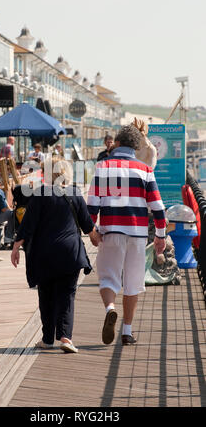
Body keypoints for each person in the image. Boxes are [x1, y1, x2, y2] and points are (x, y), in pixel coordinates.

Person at [11, 157, 100, 354]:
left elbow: (28, 224)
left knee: (47, 295)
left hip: (45, 253)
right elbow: (88, 225)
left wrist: (16, 247)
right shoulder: (75, 194)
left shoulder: (40, 194)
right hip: (70, 252)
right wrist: (98, 240)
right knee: (67, 295)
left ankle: (47, 338)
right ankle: (66, 337)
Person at [87, 124, 166, 346]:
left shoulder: (103, 167)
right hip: (138, 234)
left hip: (111, 230)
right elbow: (157, 207)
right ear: (135, 147)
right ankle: (127, 332)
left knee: (108, 278)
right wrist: (160, 236)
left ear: (118, 143)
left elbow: (92, 205)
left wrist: (91, 230)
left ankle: (110, 309)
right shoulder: (145, 170)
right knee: (133, 282)